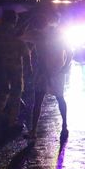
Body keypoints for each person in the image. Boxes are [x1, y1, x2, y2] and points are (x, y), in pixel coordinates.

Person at [25, 12, 72, 142]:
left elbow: (70, 52)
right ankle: (33, 130)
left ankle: (64, 126)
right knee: (38, 101)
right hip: (43, 72)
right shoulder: (38, 35)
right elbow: (19, 36)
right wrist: (28, 21)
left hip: (56, 72)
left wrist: (64, 67)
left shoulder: (58, 35)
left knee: (59, 98)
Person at [0, 9, 31, 136]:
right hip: (15, 67)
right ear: (13, 19)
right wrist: (29, 69)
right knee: (16, 93)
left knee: (3, 92)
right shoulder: (17, 33)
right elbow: (25, 53)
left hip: (1, 66)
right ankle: (12, 121)